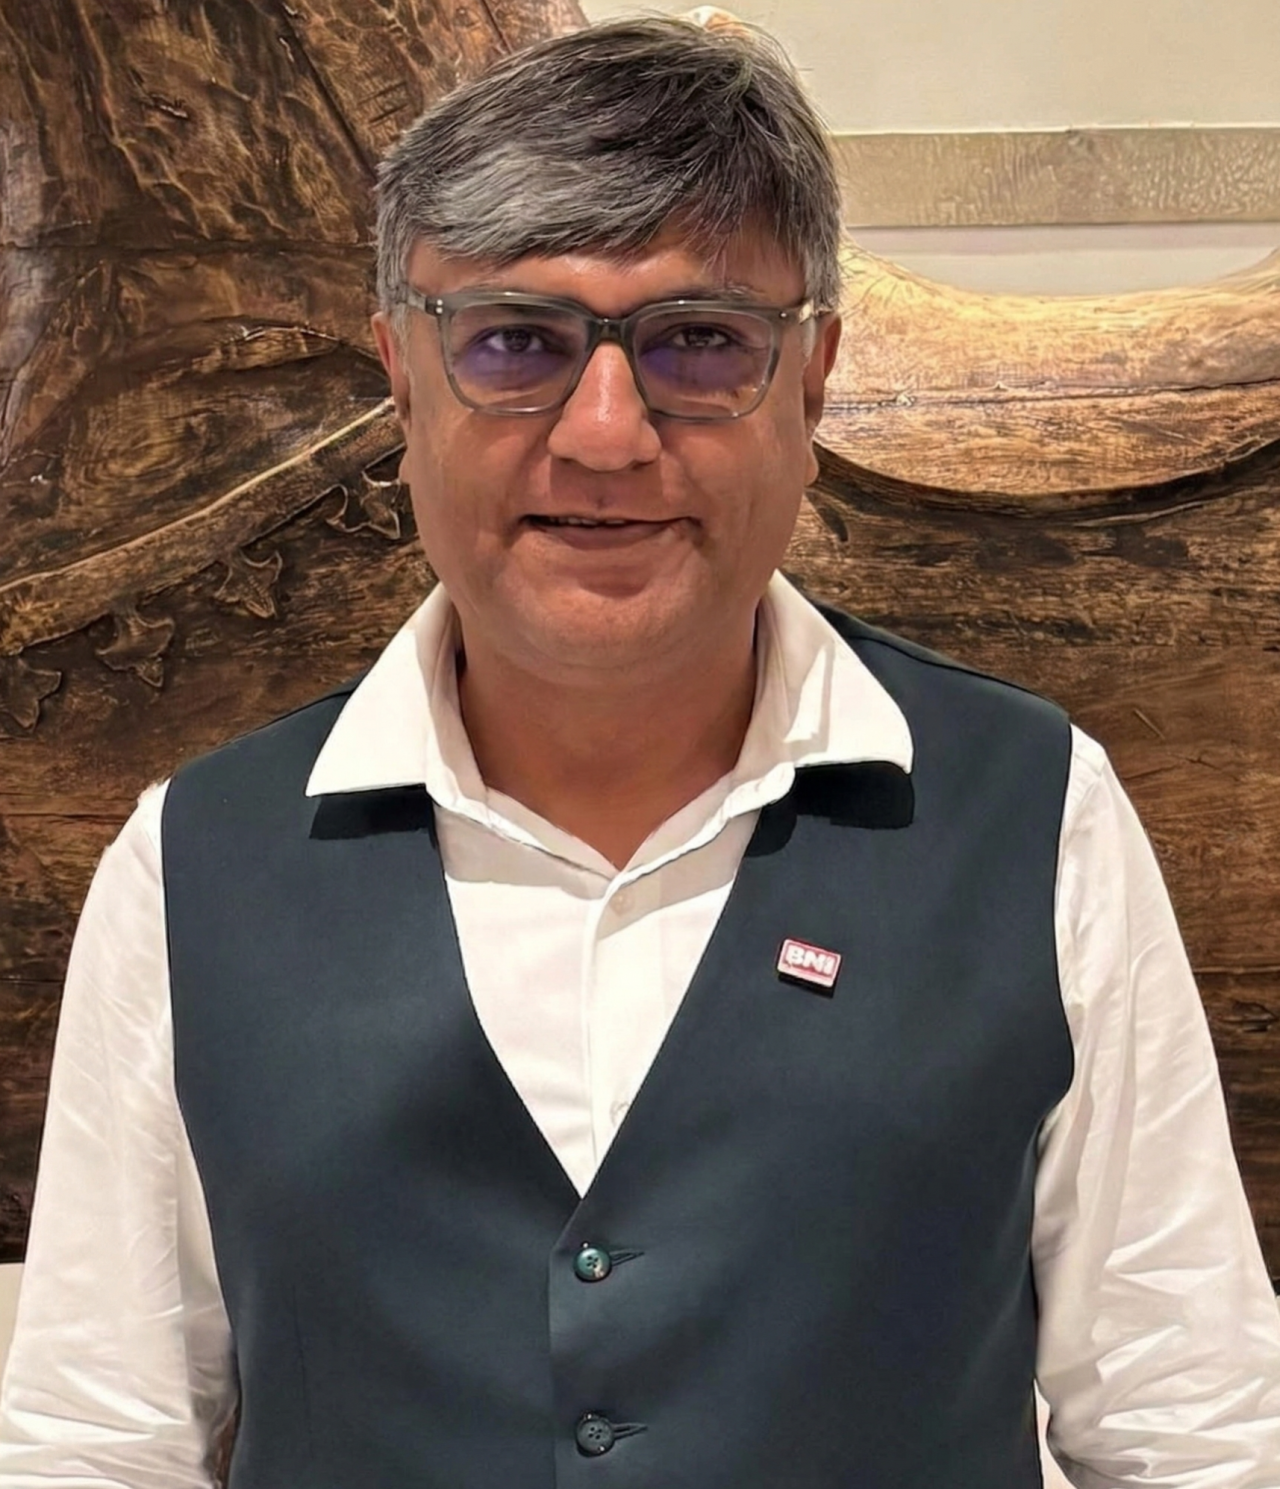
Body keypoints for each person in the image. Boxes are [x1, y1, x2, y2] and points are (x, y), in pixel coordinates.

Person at [2, 14, 1279, 1488]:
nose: (605, 434)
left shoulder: (1038, 816)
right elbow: (98, 1444)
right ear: (401, 375)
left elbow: (1190, 1431)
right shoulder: (193, 866)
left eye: (699, 343)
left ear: (813, 377)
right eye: (514, 342)